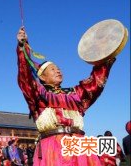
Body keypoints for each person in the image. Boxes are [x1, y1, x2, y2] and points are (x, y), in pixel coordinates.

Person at [16, 26, 116, 165]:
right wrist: (23, 47)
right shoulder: (38, 96)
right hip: (52, 147)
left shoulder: (75, 94)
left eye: (58, 68)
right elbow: (25, 77)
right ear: (43, 78)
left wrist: (105, 54)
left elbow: (95, 84)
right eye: (53, 69)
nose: (58, 71)